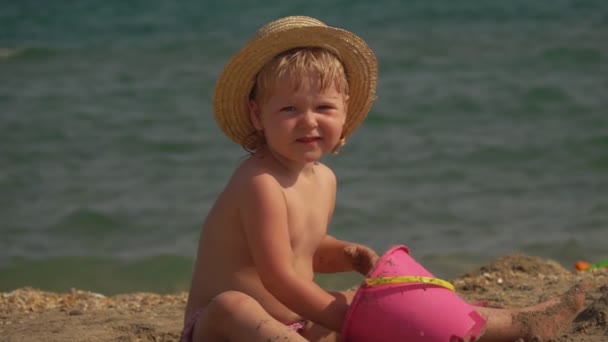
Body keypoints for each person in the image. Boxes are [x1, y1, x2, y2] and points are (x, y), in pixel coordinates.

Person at [181, 16, 587, 342]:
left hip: (295, 322)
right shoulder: (260, 183)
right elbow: (278, 275)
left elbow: (302, 249)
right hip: (222, 329)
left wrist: (345, 253)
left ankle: (516, 323)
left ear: (345, 111)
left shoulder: (324, 180)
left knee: (374, 298)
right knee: (234, 305)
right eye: (289, 109)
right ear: (257, 114)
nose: (308, 121)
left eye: (323, 107)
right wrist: (351, 321)